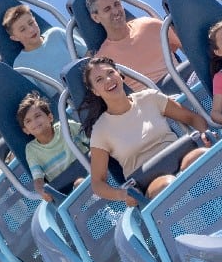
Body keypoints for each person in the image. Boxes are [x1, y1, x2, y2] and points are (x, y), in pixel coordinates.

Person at [79, 56, 210, 204]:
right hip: (149, 180)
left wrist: (205, 134)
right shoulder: (100, 131)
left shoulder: (149, 98)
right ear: (95, 91)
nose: (108, 80)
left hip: (179, 156)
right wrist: (122, 195)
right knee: (168, 186)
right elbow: (98, 183)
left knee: (200, 157)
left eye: (110, 73)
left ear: (119, 74)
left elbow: (192, 118)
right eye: (99, 80)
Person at [83, 0, 174, 84]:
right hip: (151, 96)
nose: (115, 11)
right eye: (107, 9)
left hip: (183, 82)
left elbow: (186, 47)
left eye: (117, 4)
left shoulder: (149, 25)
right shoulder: (103, 61)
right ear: (96, 18)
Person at [17, 92, 79, 200]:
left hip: (89, 171)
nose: (35, 122)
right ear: (26, 130)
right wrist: (42, 191)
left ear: (50, 117)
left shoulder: (66, 126)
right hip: (64, 190)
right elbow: (38, 178)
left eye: (37, 116)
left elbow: (92, 139)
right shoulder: (31, 150)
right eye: (28, 121)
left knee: (80, 182)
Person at [2, 4, 70, 81]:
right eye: (23, 29)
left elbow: (85, 52)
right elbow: (35, 92)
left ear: (35, 20)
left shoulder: (56, 34)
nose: (31, 30)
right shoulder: (21, 64)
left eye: (31, 23)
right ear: (15, 38)